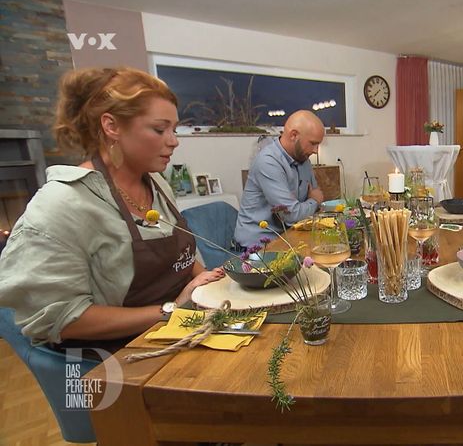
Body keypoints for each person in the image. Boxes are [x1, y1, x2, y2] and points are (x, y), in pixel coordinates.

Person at [0, 67, 224, 353]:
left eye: (174, 129)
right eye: (159, 129)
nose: (173, 140)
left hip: (180, 331)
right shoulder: (63, 203)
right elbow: (59, 319)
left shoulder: (156, 184)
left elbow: (177, 255)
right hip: (116, 359)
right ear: (112, 126)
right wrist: (172, 309)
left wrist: (207, 284)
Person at [235, 110, 325, 246]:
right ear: (294, 135)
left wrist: (311, 202)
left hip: (288, 238)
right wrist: (314, 200)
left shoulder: (303, 159)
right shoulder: (268, 162)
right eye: (313, 143)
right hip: (258, 248)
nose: (316, 150)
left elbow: (312, 195)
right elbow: (291, 215)